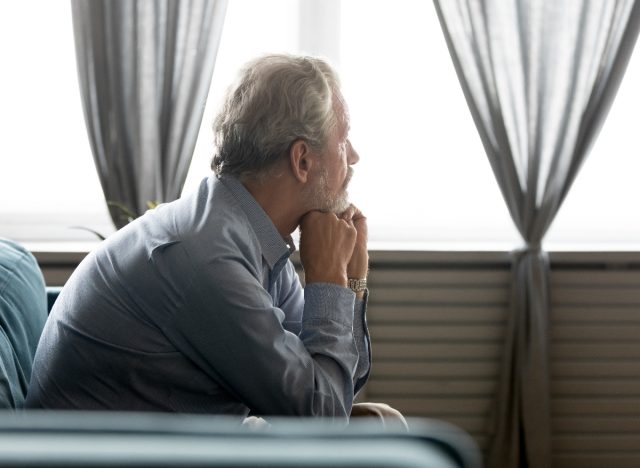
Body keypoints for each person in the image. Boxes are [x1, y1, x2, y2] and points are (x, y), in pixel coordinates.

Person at [26, 54, 404, 426]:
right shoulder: (206, 258)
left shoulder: (251, 233)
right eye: (343, 139)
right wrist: (328, 282)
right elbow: (318, 417)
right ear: (302, 160)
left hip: (174, 444)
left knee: (383, 421)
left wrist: (350, 283)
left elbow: (333, 387)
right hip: (97, 456)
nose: (353, 156)